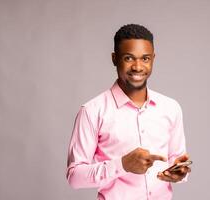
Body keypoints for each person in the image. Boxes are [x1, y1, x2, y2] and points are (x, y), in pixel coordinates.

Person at [66, 24, 191, 200]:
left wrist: (180, 173)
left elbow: (177, 160)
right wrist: (122, 165)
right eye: (129, 58)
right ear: (114, 59)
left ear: (153, 59)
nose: (138, 67)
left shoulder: (171, 108)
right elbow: (74, 177)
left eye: (145, 58)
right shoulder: (92, 111)